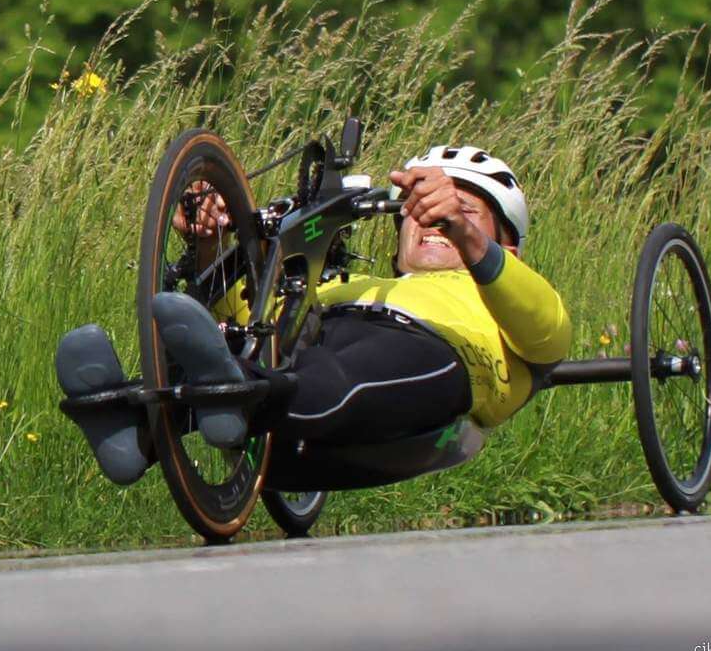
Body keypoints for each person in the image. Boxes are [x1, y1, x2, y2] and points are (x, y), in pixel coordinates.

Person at [56, 145, 572, 486]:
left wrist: (466, 235)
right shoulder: (351, 285)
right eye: (425, 212)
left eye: (466, 210)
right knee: (249, 349)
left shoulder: (507, 301)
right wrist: (211, 244)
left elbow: (551, 336)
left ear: (509, 248)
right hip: (319, 339)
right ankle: (129, 424)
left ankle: (230, 394)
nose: (436, 221)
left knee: (339, 376)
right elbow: (248, 319)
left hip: (431, 351)